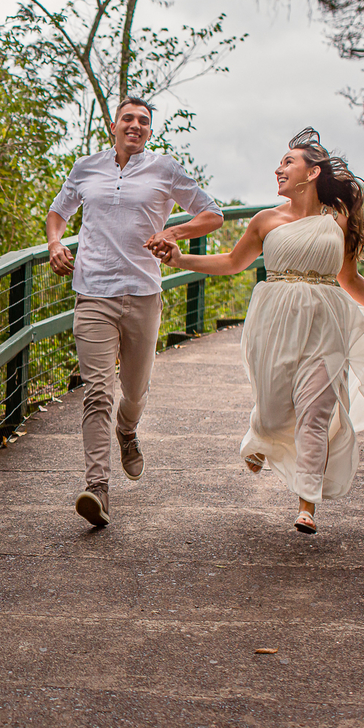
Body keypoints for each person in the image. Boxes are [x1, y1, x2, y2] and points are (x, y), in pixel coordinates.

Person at [148, 127, 364, 533]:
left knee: (317, 412)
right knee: (272, 413)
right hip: (275, 319)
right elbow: (233, 263)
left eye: (288, 162)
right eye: (280, 162)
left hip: (327, 321)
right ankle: (260, 435)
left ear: (313, 172)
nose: (278, 169)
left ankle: (307, 504)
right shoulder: (265, 220)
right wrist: (180, 260)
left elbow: (351, 280)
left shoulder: (338, 219)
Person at [47, 97, 224, 527]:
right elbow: (59, 212)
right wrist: (56, 242)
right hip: (93, 293)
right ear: (113, 125)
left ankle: (127, 431)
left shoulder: (164, 169)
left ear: (149, 131)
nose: (136, 125)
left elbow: (212, 213)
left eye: (144, 121)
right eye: (128, 118)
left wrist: (173, 230)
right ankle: (98, 488)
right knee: (96, 391)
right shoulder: (86, 167)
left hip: (143, 294)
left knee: (134, 391)